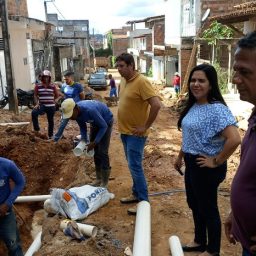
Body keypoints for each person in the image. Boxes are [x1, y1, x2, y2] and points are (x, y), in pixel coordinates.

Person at [174, 64, 241, 256]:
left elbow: (235, 138)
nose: (196, 84)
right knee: (194, 203)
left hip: (206, 166)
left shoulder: (217, 109)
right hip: (191, 161)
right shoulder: (194, 104)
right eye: (193, 80)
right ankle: (199, 241)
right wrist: (180, 157)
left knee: (208, 208)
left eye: (201, 80)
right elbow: (189, 135)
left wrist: (216, 160)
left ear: (211, 85)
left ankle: (213, 251)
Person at [116, 53, 161, 215]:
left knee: (135, 166)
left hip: (136, 134)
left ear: (131, 65)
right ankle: (136, 194)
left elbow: (156, 105)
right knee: (131, 164)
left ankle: (143, 201)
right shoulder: (123, 80)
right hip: (125, 132)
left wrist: (145, 126)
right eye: (118, 66)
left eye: (121, 66)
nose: (119, 69)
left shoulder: (142, 82)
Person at [224, 31, 256, 256]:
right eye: (236, 71)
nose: (235, 80)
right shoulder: (254, 116)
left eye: (244, 72)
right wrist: (235, 213)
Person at [61, 98, 113, 188]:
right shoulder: (76, 114)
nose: (70, 118)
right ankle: (99, 178)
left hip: (106, 122)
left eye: (70, 115)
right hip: (95, 123)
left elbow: (103, 126)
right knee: (95, 151)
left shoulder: (90, 110)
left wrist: (95, 142)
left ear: (76, 108)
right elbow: (83, 127)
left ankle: (105, 182)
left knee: (102, 152)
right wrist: (84, 140)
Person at [0, 157, 25, 256]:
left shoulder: (7, 165)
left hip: (5, 214)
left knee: (13, 244)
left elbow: (20, 182)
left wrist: (7, 203)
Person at [54, 70, 85, 142]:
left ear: (71, 78)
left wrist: (77, 103)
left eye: (66, 79)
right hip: (67, 108)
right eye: (64, 79)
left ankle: (83, 138)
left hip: (76, 109)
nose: (65, 81)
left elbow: (82, 97)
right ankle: (56, 138)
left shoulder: (78, 86)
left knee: (81, 124)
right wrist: (58, 99)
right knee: (62, 123)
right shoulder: (64, 86)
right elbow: (62, 95)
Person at [32, 70, 59, 139]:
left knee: (50, 120)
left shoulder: (53, 86)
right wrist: (36, 104)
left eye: (47, 77)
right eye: (44, 77)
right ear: (42, 78)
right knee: (34, 112)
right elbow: (35, 95)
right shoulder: (38, 86)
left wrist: (54, 101)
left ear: (49, 78)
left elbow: (57, 95)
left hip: (51, 106)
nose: (46, 79)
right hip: (42, 105)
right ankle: (37, 129)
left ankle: (50, 135)